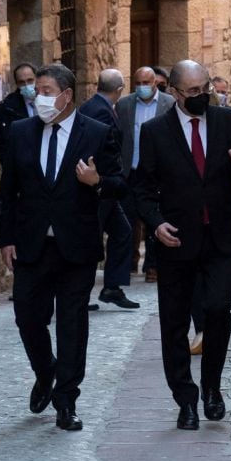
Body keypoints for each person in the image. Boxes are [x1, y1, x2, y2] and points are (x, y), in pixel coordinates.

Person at [0, 64, 126, 432]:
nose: (39, 97)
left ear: (67, 95)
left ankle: (66, 399)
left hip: (76, 246)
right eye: (37, 90)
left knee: (72, 324)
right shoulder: (21, 132)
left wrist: (96, 180)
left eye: (46, 90)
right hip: (32, 244)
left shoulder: (97, 133)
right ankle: (45, 370)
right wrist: (6, 237)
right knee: (27, 317)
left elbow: (120, 185)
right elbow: (9, 191)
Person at [134, 60, 231, 430]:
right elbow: (142, 188)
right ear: (174, 92)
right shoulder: (155, 132)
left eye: (206, 88)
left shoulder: (229, 121)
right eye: (193, 91)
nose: (202, 96)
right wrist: (155, 224)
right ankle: (184, 399)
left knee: (218, 310)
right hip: (176, 240)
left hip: (219, 236)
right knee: (174, 321)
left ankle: (212, 388)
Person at [78, 69, 140, 309]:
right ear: (120, 89)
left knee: (123, 232)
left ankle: (112, 287)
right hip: (99, 186)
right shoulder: (99, 111)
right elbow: (99, 149)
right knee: (90, 240)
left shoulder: (94, 106)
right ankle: (79, 294)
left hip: (106, 187)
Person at [115, 67, 175, 282]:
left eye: (146, 82)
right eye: (138, 83)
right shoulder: (124, 105)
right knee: (128, 219)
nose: (142, 87)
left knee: (154, 220)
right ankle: (130, 263)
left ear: (155, 83)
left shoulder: (170, 104)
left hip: (157, 173)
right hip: (130, 171)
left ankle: (153, 266)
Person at [0, 62, 38, 167]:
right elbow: (3, 143)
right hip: (23, 165)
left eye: (30, 80)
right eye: (22, 82)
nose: (27, 85)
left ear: (37, 79)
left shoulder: (49, 99)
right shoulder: (8, 108)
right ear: (17, 84)